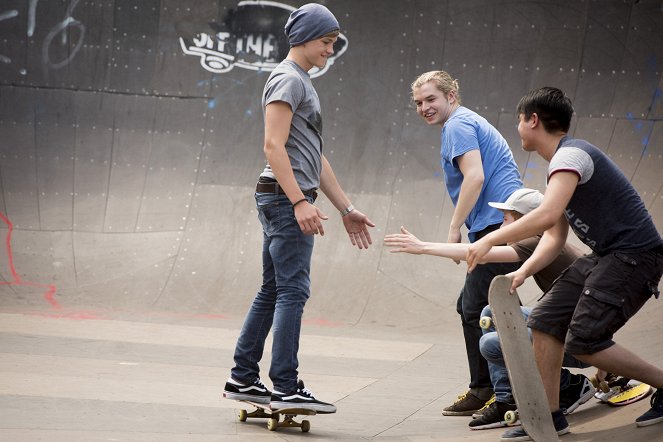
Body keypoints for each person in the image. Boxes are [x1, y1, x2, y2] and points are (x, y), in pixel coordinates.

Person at [466, 87, 663, 440]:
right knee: (544, 322)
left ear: (533, 120)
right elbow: (555, 236)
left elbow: (548, 215)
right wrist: (525, 270)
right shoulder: (561, 166)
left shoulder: (572, 156)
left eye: (519, 120)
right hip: (606, 255)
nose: (518, 128)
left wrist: (489, 238)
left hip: (636, 256)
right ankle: (550, 416)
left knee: (584, 340)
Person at [222, 3, 375, 413]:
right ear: (304, 38)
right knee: (293, 290)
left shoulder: (301, 81)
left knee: (274, 288)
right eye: (326, 42)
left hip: (282, 195)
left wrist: (346, 209)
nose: (330, 50)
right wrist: (298, 202)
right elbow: (272, 145)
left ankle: (243, 377)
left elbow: (314, 155)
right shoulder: (288, 80)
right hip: (283, 197)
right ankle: (285, 385)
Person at [385, 188, 594, 430]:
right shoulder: (544, 240)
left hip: (580, 343)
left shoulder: (533, 242)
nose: (501, 224)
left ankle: (566, 384)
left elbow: (480, 255)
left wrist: (422, 247)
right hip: (569, 330)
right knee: (490, 312)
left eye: (506, 218)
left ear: (525, 221)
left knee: (491, 344)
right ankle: (506, 398)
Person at [411, 71, 523, 415]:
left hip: (496, 228)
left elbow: (475, 176)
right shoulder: (464, 122)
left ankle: (492, 391)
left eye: (431, 99)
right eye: (418, 103)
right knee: (494, 310)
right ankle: (513, 384)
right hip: (500, 225)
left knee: (474, 309)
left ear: (451, 96)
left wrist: (454, 226)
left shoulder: (458, 125)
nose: (425, 107)